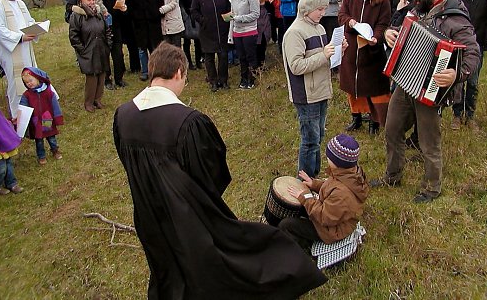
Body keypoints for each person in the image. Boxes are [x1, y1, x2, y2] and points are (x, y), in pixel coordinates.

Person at [113, 42, 327, 299]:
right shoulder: (187, 122)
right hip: (189, 216)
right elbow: (211, 175)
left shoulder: (122, 115)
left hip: (147, 211)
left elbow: (128, 162)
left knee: (165, 261)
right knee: (224, 257)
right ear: (179, 73)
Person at [372, 0, 480, 203]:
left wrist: (456, 74)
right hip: (406, 81)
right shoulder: (419, 9)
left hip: (432, 88)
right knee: (392, 129)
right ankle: (392, 175)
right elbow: (406, 34)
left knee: (429, 141)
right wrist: (392, 34)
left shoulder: (455, 18)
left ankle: (432, 187)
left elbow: (473, 53)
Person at [279, 134, 369, 249]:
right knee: (297, 208)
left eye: (329, 157)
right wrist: (314, 184)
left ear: (338, 162)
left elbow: (324, 216)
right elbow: (331, 186)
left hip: (330, 230)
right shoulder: (347, 174)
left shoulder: (342, 194)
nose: (327, 158)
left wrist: (304, 197)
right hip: (331, 217)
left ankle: (304, 248)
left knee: (286, 225)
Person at [283, 0, 336, 178]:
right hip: (306, 95)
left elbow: (324, 60)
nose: (323, 13)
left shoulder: (319, 28)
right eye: (320, 9)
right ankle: (304, 179)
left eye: (324, 9)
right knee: (310, 140)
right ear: (307, 7)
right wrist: (323, 55)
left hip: (321, 91)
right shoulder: (295, 33)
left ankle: (313, 176)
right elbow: (296, 66)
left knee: (318, 136)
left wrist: (338, 51)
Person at [338, 0, 391, 135]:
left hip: (371, 50)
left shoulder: (382, 0)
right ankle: (357, 117)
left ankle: (375, 121)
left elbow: (383, 24)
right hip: (352, 48)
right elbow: (342, 15)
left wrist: (376, 37)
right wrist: (350, 22)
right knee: (352, 85)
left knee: (373, 87)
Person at [448, 0, 487, 130]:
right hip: (457, 44)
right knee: (458, 81)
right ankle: (456, 114)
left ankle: (470, 115)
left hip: (478, 42)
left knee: (473, 81)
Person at [0, 0, 39, 118]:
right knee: (16, 83)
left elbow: (29, 21)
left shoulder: (20, 4)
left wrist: (35, 29)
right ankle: (18, 117)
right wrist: (20, 38)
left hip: (26, 49)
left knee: (31, 77)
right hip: (11, 51)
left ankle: (33, 111)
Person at [69, 0, 111, 112]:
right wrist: (82, 50)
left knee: (102, 74)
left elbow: (107, 30)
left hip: (101, 48)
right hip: (88, 51)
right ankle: (89, 102)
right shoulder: (76, 15)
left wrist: (108, 44)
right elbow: (74, 36)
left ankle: (98, 99)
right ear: (82, 0)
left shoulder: (98, 14)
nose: (92, 2)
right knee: (91, 77)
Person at [191, 0, 231, 91]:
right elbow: (194, 11)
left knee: (223, 55)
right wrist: (202, 20)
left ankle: (223, 80)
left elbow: (228, 6)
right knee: (209, 57)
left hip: (222, 29)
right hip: (207, 31)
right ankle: (213, 80)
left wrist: (227, 17)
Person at [124, 0, 164, 82]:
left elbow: (160, 1)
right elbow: (128, 6)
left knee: (155, 49)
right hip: (139, 24)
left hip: (153, 23)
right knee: (142, 50)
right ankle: (145, 71)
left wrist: (156, 14)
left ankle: (156, 71)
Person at [20, 67, 64, 165]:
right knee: (39, 140)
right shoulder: (26, 95)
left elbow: (55, 105)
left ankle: (55, 151)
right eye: (27, 83)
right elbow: (23, 106)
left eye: (31, 81)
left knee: (51, 136)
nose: (29, 84)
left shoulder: (48, 92)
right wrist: (21, 118)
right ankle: (41, 156)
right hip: (35, 120)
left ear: (37, 78)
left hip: (47, 118)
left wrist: (57, 117)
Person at [228, 0, 260, 89]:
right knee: (241, 57)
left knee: (250, 56)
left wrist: (240, 18)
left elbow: (256, 14)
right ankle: (243, 78)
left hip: (249, 31)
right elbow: (233, 13)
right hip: (237, 31)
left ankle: (252, 79)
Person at [100, 0, 128, 89]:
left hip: (116, 29)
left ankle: (119, 79)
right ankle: (107, 80)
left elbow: (124, 16)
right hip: (103, 29)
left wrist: (124, 10)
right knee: (105, 55)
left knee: (118, 55)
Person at [247, 0, 274, 68]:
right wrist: (258, 0)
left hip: (263, 14)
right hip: (253, 15)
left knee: (263, 39)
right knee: (255, 41)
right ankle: (255, 65)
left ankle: (262, 63)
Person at [179, 0, 202, 70]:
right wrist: (185, 16)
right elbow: (180, 4)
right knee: (187, 41)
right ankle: (189, 62)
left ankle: (198, 61)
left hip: (197, 17)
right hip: (187, 17)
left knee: (198, 41)